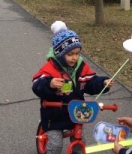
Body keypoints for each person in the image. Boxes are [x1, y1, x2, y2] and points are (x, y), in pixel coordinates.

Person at [32, 21, 114, 154]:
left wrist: (103, 83)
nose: (74, 58)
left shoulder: (81, 67)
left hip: (76, 113)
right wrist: (50, 83)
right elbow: (37, 84)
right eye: (70, 54)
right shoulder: (50, 68)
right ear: (59, 53)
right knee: (56, 144)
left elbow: (90, 81)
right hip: (54, 114)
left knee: (79, 142)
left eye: (77, 53)